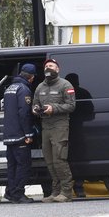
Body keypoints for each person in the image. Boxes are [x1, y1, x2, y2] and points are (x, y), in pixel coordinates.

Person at [32, 59, 76, 203]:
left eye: (51, 66)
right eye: (46, 66)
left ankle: (66, 192)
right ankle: (56, 192)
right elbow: (35, 104)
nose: (48, 68)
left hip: (60, 126)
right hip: (46, 126)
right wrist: (35, 110)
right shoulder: (40, 87)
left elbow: (71, 106)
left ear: (57, 69)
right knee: (49, 161)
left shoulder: (65, 85)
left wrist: (54, 108)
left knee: (59, 159)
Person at [2, 63, 37, 204]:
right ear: (31, 77)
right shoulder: (24, 90)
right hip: (20, 135)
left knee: (12, 166)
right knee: (23, 165)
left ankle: (10, 192)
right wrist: (28, 134)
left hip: (9, 134)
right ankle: (18, 193)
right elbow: (24, 114)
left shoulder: (9, 88)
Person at [65, 72, 93, 198]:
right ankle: (79, 186)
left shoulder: (63, 92)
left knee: (64, 159)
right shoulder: (84, 92)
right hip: (78, 129)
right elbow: (91, 112)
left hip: (64, 129)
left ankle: (67, 187)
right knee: (80, 158)